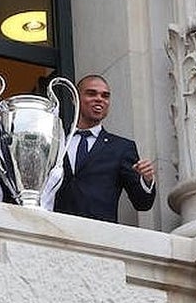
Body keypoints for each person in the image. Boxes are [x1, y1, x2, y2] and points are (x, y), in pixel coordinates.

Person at [52, 74, 156, 223]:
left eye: (105, 96)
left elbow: (142, 203)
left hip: (99, 235)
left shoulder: (122, 148)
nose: (99, 99)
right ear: (74, 99)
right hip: (56, 229)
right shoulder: (57, 141)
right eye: (91, 93)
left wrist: (146, 180)